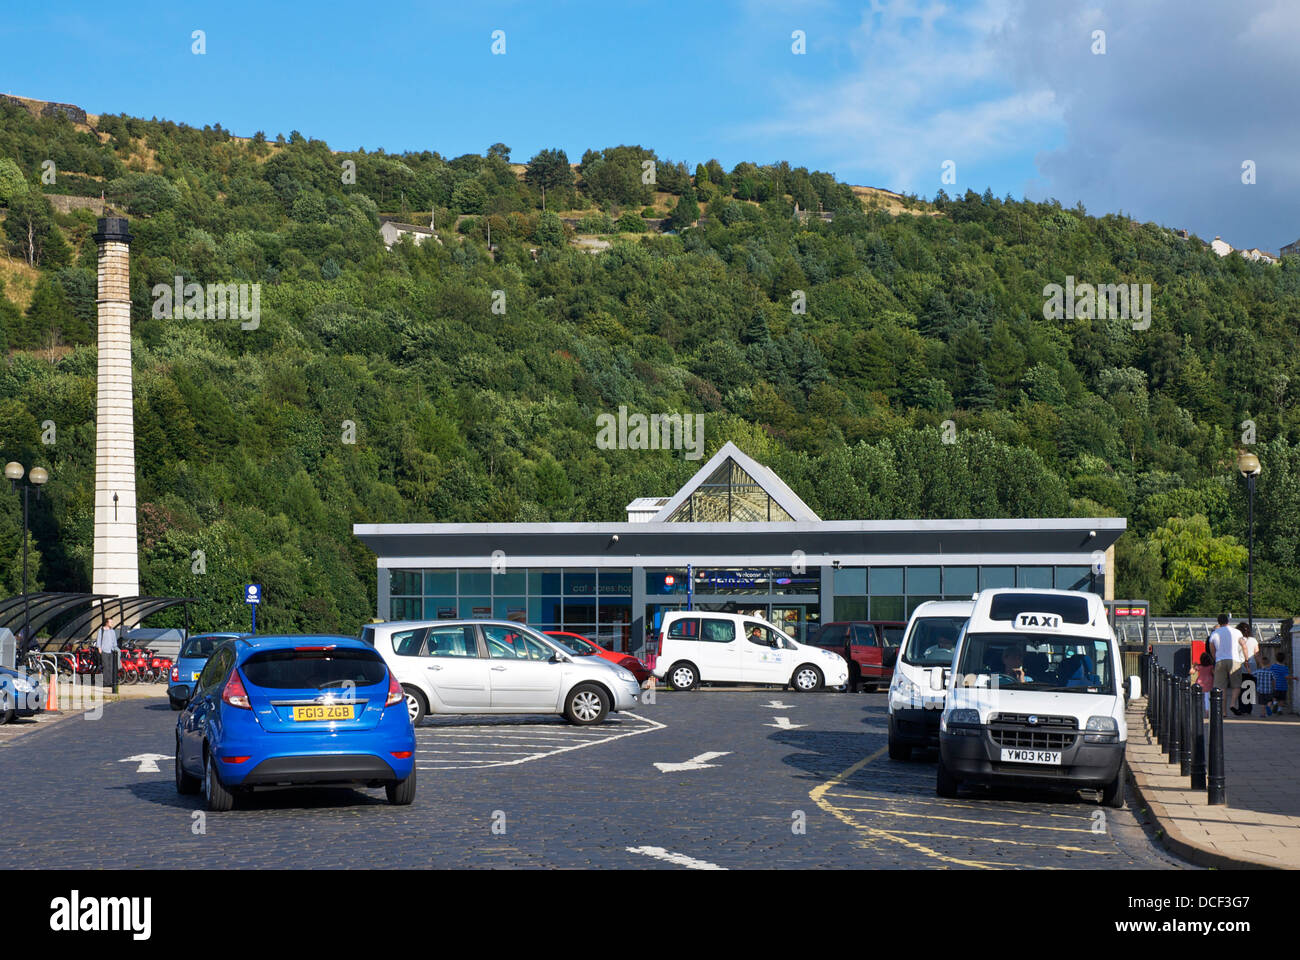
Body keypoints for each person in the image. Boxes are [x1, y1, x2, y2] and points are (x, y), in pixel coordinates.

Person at [1208, 614, 1245, 717]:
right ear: (1228, 621)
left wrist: (1215, 658)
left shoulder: (1215, 633)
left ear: (1218, 622)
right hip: (1235, 660)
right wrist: (1245, 659)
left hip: (1220, 660)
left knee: (1221, 687)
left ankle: (1223, 712)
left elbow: (1212, 647)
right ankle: (1232, 703)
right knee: (1236, 685)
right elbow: (1243, 645)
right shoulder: (1237, 632)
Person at [1257, 652, 1295, 717]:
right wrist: (1294, 678)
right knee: (1282, 699)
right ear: (1284, 659)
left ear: (1276, 659)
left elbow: (1269, 673)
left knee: (1274, 697)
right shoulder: (1285, 668)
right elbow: (1286, 676)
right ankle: (1279, 710)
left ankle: (1275, 703)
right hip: (1283, 686)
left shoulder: (1273, 666)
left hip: (1275, 686)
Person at [1235, 623, 1259, 715]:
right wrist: (1260, 664)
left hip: (1240, 666)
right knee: (1251, 688)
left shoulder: (1237, 640)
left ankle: (1242, 708)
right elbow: (1256, 654)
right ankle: (1249, 709)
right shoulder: (1253, 640)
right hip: (1252, 666)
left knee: (1242, 688)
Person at [1189, 650, 1216, 717]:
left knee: (1199, 697)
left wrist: (1194, 666)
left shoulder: (1199, 666)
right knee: (1207, 698)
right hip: (1209, 682)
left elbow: (1191, 672)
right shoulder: (1211, 667)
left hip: (1200, 682)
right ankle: (1207, 711)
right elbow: (1214, 673)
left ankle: (1197, 710)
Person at [96, 616, 119, 687]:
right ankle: (106, 682)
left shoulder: (112, 631)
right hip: (104, 650)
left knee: (111, 666)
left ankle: (111, 682)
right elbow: (99, 640)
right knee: (105, 666)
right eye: (110, 622)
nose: (112, 623)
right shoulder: (101, 630)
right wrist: (99, 648)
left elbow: (114, 641)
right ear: (106, 623)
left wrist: (116, 649)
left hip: (111, 650)